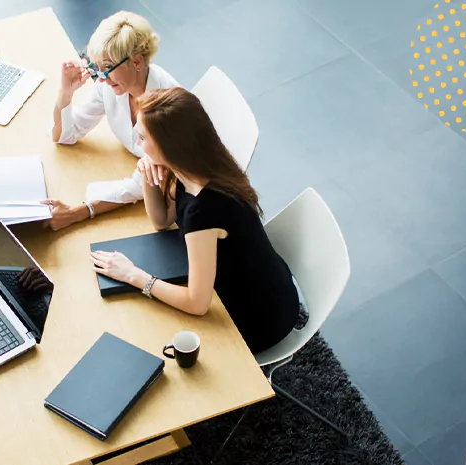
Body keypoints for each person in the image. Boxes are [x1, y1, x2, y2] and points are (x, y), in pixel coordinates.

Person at [90, 88, 299, 354]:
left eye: (142, 137)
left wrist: (135, 276)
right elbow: (162, 220)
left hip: (258, 319)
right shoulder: (200, 166)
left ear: (169, 145)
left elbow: (198, 303)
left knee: (143, 330)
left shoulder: (204, 209)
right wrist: (148, 173)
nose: (137, 141)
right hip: (268, 286)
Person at [45, 11, 180, 231]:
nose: (102, 78)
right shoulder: (111, 86)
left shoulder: (166, 109)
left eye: (107, 68)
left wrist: (78, 211)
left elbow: (142, 186)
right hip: (140, 172)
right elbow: (65, 135)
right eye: (97, 68)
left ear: (136, 62)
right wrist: (65, 96)